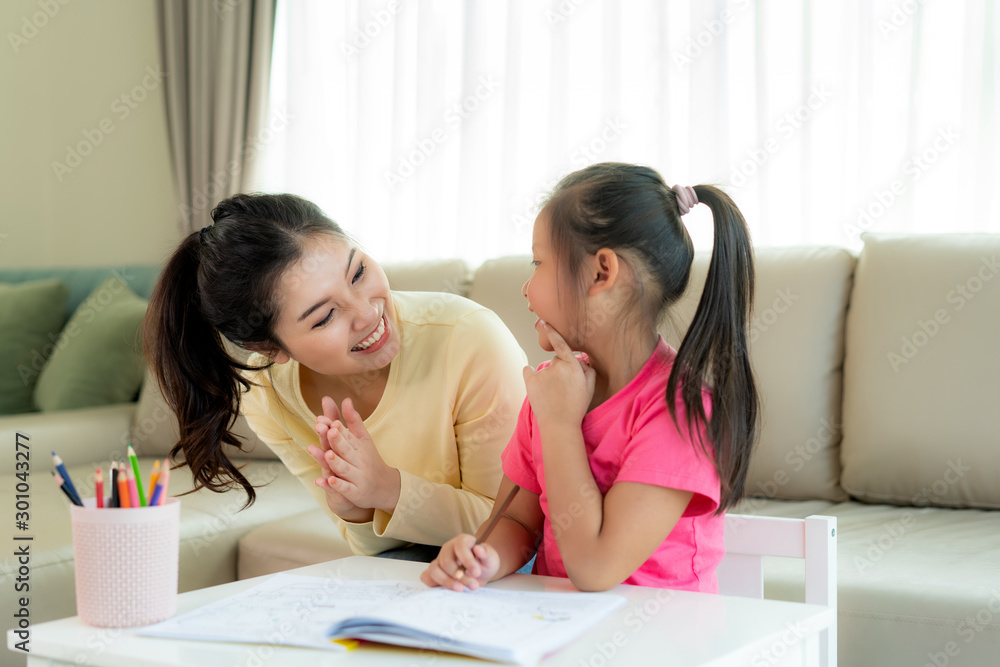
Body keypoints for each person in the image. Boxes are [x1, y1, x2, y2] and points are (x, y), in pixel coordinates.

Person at [421, 162, 759, 592]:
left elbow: (595, 568)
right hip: (560, 625)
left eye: (538, 262)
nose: (526, 289)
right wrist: (485, 556)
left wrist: (560, 424)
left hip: (662, 637)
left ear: (602, 272)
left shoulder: (681, 407)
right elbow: (516, 520)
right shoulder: (552, 387)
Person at [143, 193, 527, 557]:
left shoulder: (468, 338)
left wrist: (387, 489)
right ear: (271, 349)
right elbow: (376, 553)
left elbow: (514, 527)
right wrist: (355, 511)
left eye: (358, 272)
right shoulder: (267, 394)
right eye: (325, 316)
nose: (367, 313)